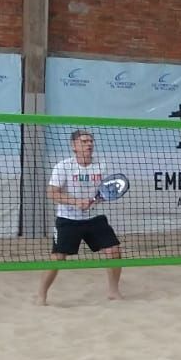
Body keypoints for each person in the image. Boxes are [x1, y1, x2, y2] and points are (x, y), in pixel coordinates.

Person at [38, 129, 124, 305]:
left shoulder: (102, 165)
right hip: (68, 219)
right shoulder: (63, 166)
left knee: (114, 250)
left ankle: (113, 291)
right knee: (58, 257)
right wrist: (75, 201)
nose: (89, 144)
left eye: (91, 141)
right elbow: (51, 193)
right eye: (84, 141)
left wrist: (96, 200)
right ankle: (41, 294)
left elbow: (104, 191)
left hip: (94, 218)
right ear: (74, 146)